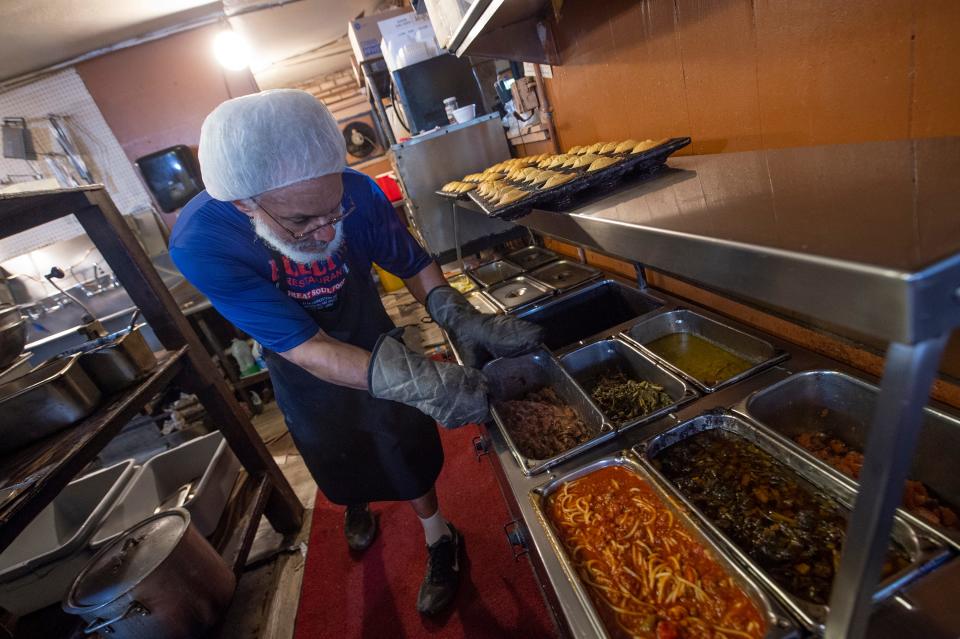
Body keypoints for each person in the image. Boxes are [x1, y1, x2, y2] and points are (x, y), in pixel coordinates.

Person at [169, 89, 541, 616]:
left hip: (370, 334)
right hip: (298, 359)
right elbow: (308, 347)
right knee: (329, 447)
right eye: (302, 222)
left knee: (400, 442)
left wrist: (458, 316)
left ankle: (439, 538)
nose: (326, 231)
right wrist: (424, 383)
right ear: (245, 203)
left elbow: (411, 262)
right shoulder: (203, 241)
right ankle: (356, 503)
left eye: (333, 210)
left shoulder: (358, 193)